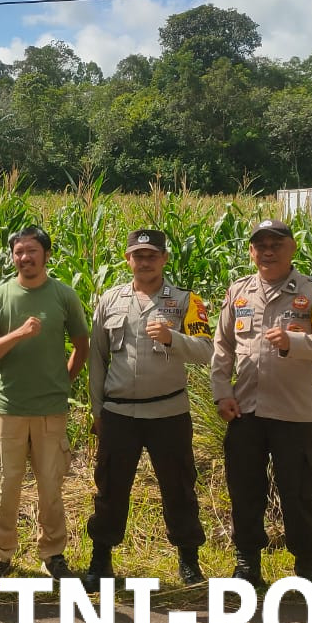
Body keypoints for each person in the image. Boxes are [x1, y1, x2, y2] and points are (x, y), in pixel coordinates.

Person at [211, 219, 312, 601]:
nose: (268, 251)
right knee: (245, 491)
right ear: (251, 251)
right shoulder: (238, 292)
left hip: (294, 413)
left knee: (300, 494)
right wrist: (222, 394)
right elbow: (223, 347)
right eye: (261, 245)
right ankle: (247, 565)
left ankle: (308, 571)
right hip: (245, 411)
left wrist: (293, 342)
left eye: (276, 244)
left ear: (292, 248)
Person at [84, 229, 212, 588]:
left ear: (164, 259)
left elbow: (207, 351)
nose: (145, 262)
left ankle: (188, 560)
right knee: (110, 489)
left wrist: (174, 339)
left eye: (152, 255)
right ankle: (101, 560)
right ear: (128, 260)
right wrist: (97, 410)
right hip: (119, 414)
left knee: (179, 487)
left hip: (168, 412)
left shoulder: (185, 301)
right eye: (138, 256)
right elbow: (97, 359)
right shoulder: (110, 300)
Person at [0, 224, 90, 585]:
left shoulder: (63, 295)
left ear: (46, 255)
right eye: (19, 252)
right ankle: (0, 555)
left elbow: (82, 346)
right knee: (5, 487)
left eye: (32, 251)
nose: (25, 258)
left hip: (50, 410)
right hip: (8, 408)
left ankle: (52, 554)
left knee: (51, 487)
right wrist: (19, 334)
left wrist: (62, 382)